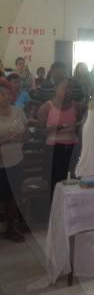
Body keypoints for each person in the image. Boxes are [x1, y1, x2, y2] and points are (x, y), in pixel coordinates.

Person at [37, 78, 81, 200]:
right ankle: (55, 212)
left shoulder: (76, 106)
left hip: (72, 148)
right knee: (55, 183)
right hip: (53, 150)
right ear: (56, 88)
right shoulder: (46, 107)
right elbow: (39, 131)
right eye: (64, 87)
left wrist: (78, 126)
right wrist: (53, 129)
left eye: (70, 88)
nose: (67, 91)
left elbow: (81, 126)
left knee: (73, 180)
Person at [0, 80, 27, 242]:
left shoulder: (18, 112)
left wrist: (22, 136)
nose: (4, 97)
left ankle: (11, 227)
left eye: (7, 94)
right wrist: (5, 139)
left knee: (13, 195)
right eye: (1, 95)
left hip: (16, 159)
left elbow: (27, 135)